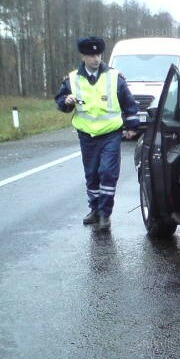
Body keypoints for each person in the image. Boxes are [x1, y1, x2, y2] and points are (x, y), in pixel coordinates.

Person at [55, 36, 139, 230]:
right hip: (86, 135)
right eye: (91, 55)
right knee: (91, 174)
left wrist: (131, 126)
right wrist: (65, 102)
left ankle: (105, 214)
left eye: (98, 54)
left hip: (111, 133)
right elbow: (61, 100)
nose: (96, 59)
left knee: (108, 173)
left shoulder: (114, 77)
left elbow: (129, 103)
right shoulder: (72, 79)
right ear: (83, 56)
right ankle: (95, 210)